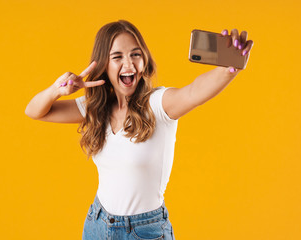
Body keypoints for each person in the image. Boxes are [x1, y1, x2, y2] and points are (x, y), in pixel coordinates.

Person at [25, 20, 253, 240]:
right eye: (117, 57)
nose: (129, 64)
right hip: (97, 224)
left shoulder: (158, 104)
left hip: (144, 232)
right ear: (104, 65)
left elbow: (193, 92)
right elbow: (35, 111)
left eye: (135, 54)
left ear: (144, 60)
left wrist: (228, 70)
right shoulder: (96, 108)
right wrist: (57, 90)